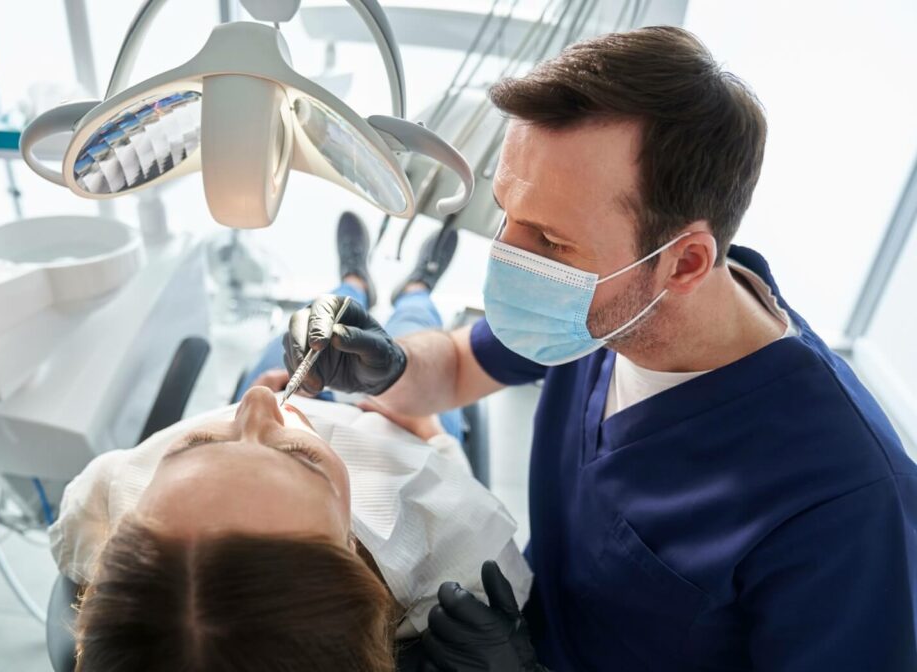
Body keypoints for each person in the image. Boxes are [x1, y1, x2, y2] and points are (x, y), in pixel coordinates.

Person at [283, 27, 917, 672]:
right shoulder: (598, 309)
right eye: (506, 213)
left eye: (552, 241)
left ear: (684, 262)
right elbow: (456, 368)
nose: (508, 256)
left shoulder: (848, 506)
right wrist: (389, 367)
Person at [48, 214, 532, 672]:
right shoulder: (450, 553)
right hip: (399, 431)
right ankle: (418, 287)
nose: (259, 400)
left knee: (322, 325)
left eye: (193, 443)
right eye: (301, 457)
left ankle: (354, 278)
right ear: (350, 546)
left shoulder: (103, 506)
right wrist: (428, 430)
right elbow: (452, 495)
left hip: (317, 402)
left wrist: (265, 434)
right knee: (412, 328)